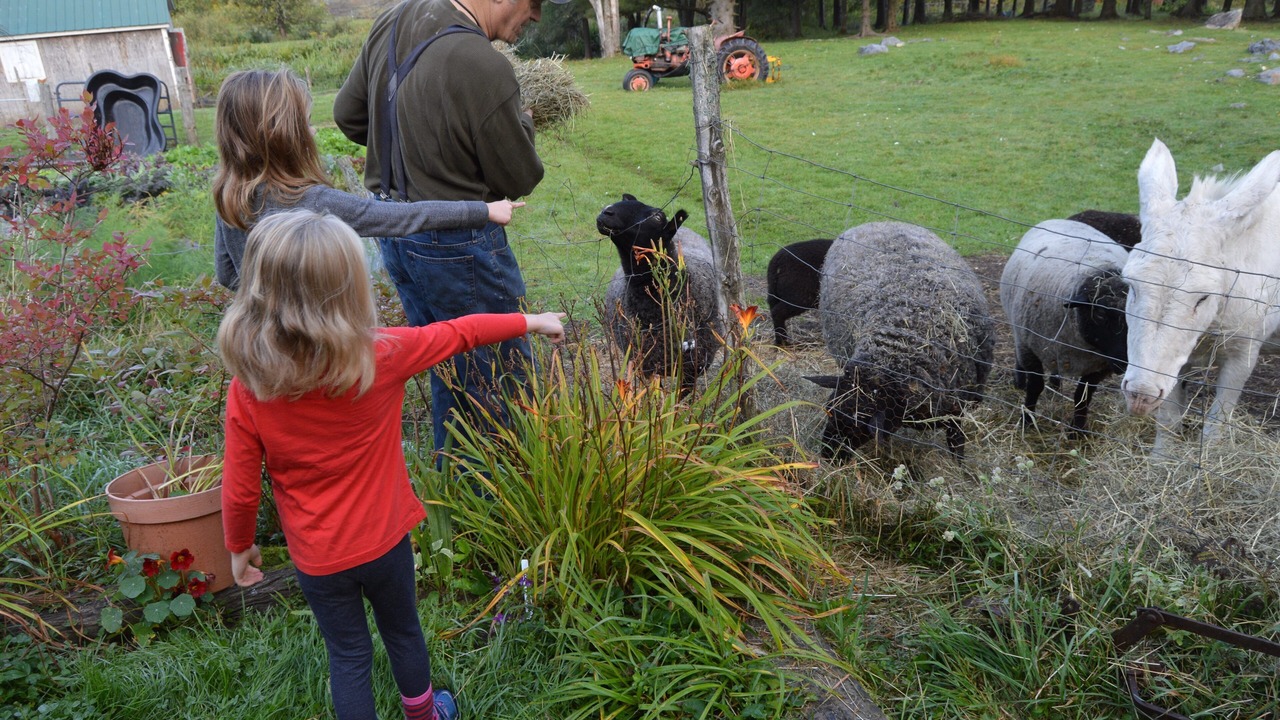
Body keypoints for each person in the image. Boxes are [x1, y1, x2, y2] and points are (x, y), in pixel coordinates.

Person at [218, 209, 565, 720]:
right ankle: (424, 715)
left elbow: (241, 488)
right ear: (348, 289)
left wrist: (239, 547)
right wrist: (531, 321)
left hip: (318, 557)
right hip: (385, 543)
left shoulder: (250, 388)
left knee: (349, 654)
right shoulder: (382, 354)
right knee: (403, 631)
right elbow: (460, 332)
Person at [333, 0, 566, 460]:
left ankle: (455, 507)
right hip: (458, 243)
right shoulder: (484, 64)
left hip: (394, 229)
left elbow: (349, 115)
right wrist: (525, 123)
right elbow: (519, 176)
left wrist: (414, 145)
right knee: (498, 383)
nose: (536, 16)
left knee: (449, 371)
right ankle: (502, 511)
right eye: (534, 3)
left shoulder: (395, 18)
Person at [212, 68, 522, 290]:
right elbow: (401, 217)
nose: (312, 132)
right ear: (281, 135)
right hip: (317, 345)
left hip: (260, 347)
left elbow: (227, 274)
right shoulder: (309, 201)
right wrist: (483, 210)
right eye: (305, 124)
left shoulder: (230, 197)